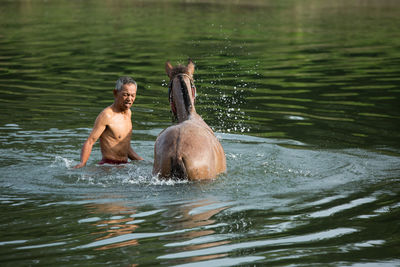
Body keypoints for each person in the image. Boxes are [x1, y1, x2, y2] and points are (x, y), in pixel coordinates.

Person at [74, 76, 143, 168]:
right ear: (115, 93)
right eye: (125, 94)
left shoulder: (128, 113)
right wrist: (82, 163)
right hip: (108, 167)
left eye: (133, 95)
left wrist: (143, 162)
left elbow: (124, 145)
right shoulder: (107, 115)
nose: (129, 99)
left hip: (124, 166)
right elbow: (90, 141)